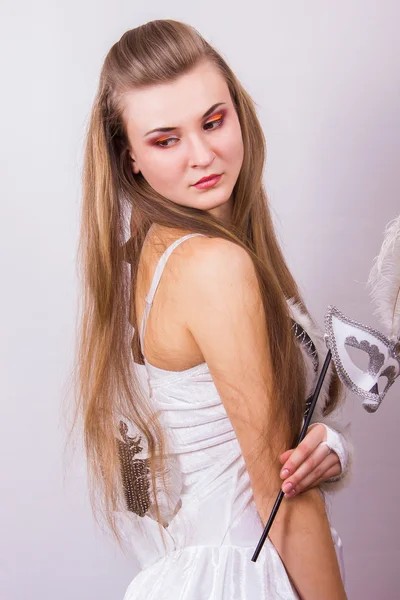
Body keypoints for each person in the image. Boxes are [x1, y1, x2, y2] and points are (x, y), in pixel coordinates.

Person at [74, 19, 352, 599]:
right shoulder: (213, 267)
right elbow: (284, 500)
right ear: (129, 159)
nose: (203, 155)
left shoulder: (148, 257)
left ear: (238, 112)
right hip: (240, 574)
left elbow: (228, 449)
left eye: (213, 121)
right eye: (165, 139)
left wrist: (327, 447)